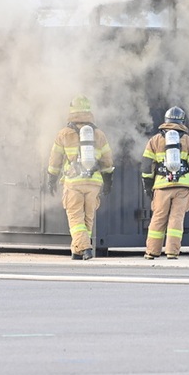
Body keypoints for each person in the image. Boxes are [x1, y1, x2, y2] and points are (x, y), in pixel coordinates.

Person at [46, 96, 115, 261]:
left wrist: (51, 179)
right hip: (94, 181)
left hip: (74, 181)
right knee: (87, 217)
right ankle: (77, 251)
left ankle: (85, 248)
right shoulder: (99, 134)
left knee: (75, 217)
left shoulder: (64, 134)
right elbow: (107, 161)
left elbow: (55, 160)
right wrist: (108, 181)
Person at [140, 106, 189, 260]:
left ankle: (151, 252)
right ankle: (172, 252)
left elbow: (146, 165)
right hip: (183, 187)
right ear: (182, 121)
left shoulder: (155, 140)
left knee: (158, 218)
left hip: (162, 186)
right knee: (176, 218)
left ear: (166, 120)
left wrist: (148, 186)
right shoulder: (188, 141)